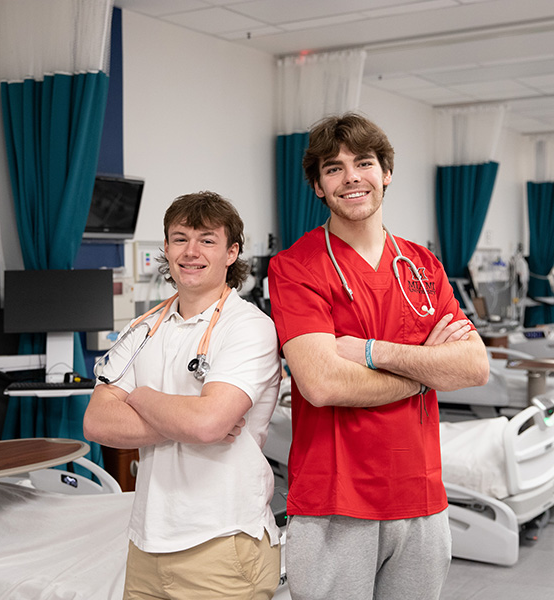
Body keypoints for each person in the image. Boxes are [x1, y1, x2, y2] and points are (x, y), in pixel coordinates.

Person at [267, 113, 490, 600]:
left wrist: (372, 353)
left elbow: (475, 366)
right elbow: (322, 384)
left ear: (385, 172)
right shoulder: (295, 268)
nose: (351, 177)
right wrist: (425, 371)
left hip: (422, 498)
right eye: (333, 168)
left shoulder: (422, 265)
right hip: (335, 501)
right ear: (317, 186)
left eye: (363, 163)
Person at [84, 191, 282, 600]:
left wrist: (137, 396)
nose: (191, 252)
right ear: (167, 248)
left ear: (231, 252)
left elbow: (207, 423)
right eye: (180, 238)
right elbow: (97, 422)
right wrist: (186, 421)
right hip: (146, 543)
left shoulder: (249, 327)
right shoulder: (143, 328)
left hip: (222, 543)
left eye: (207, 240)